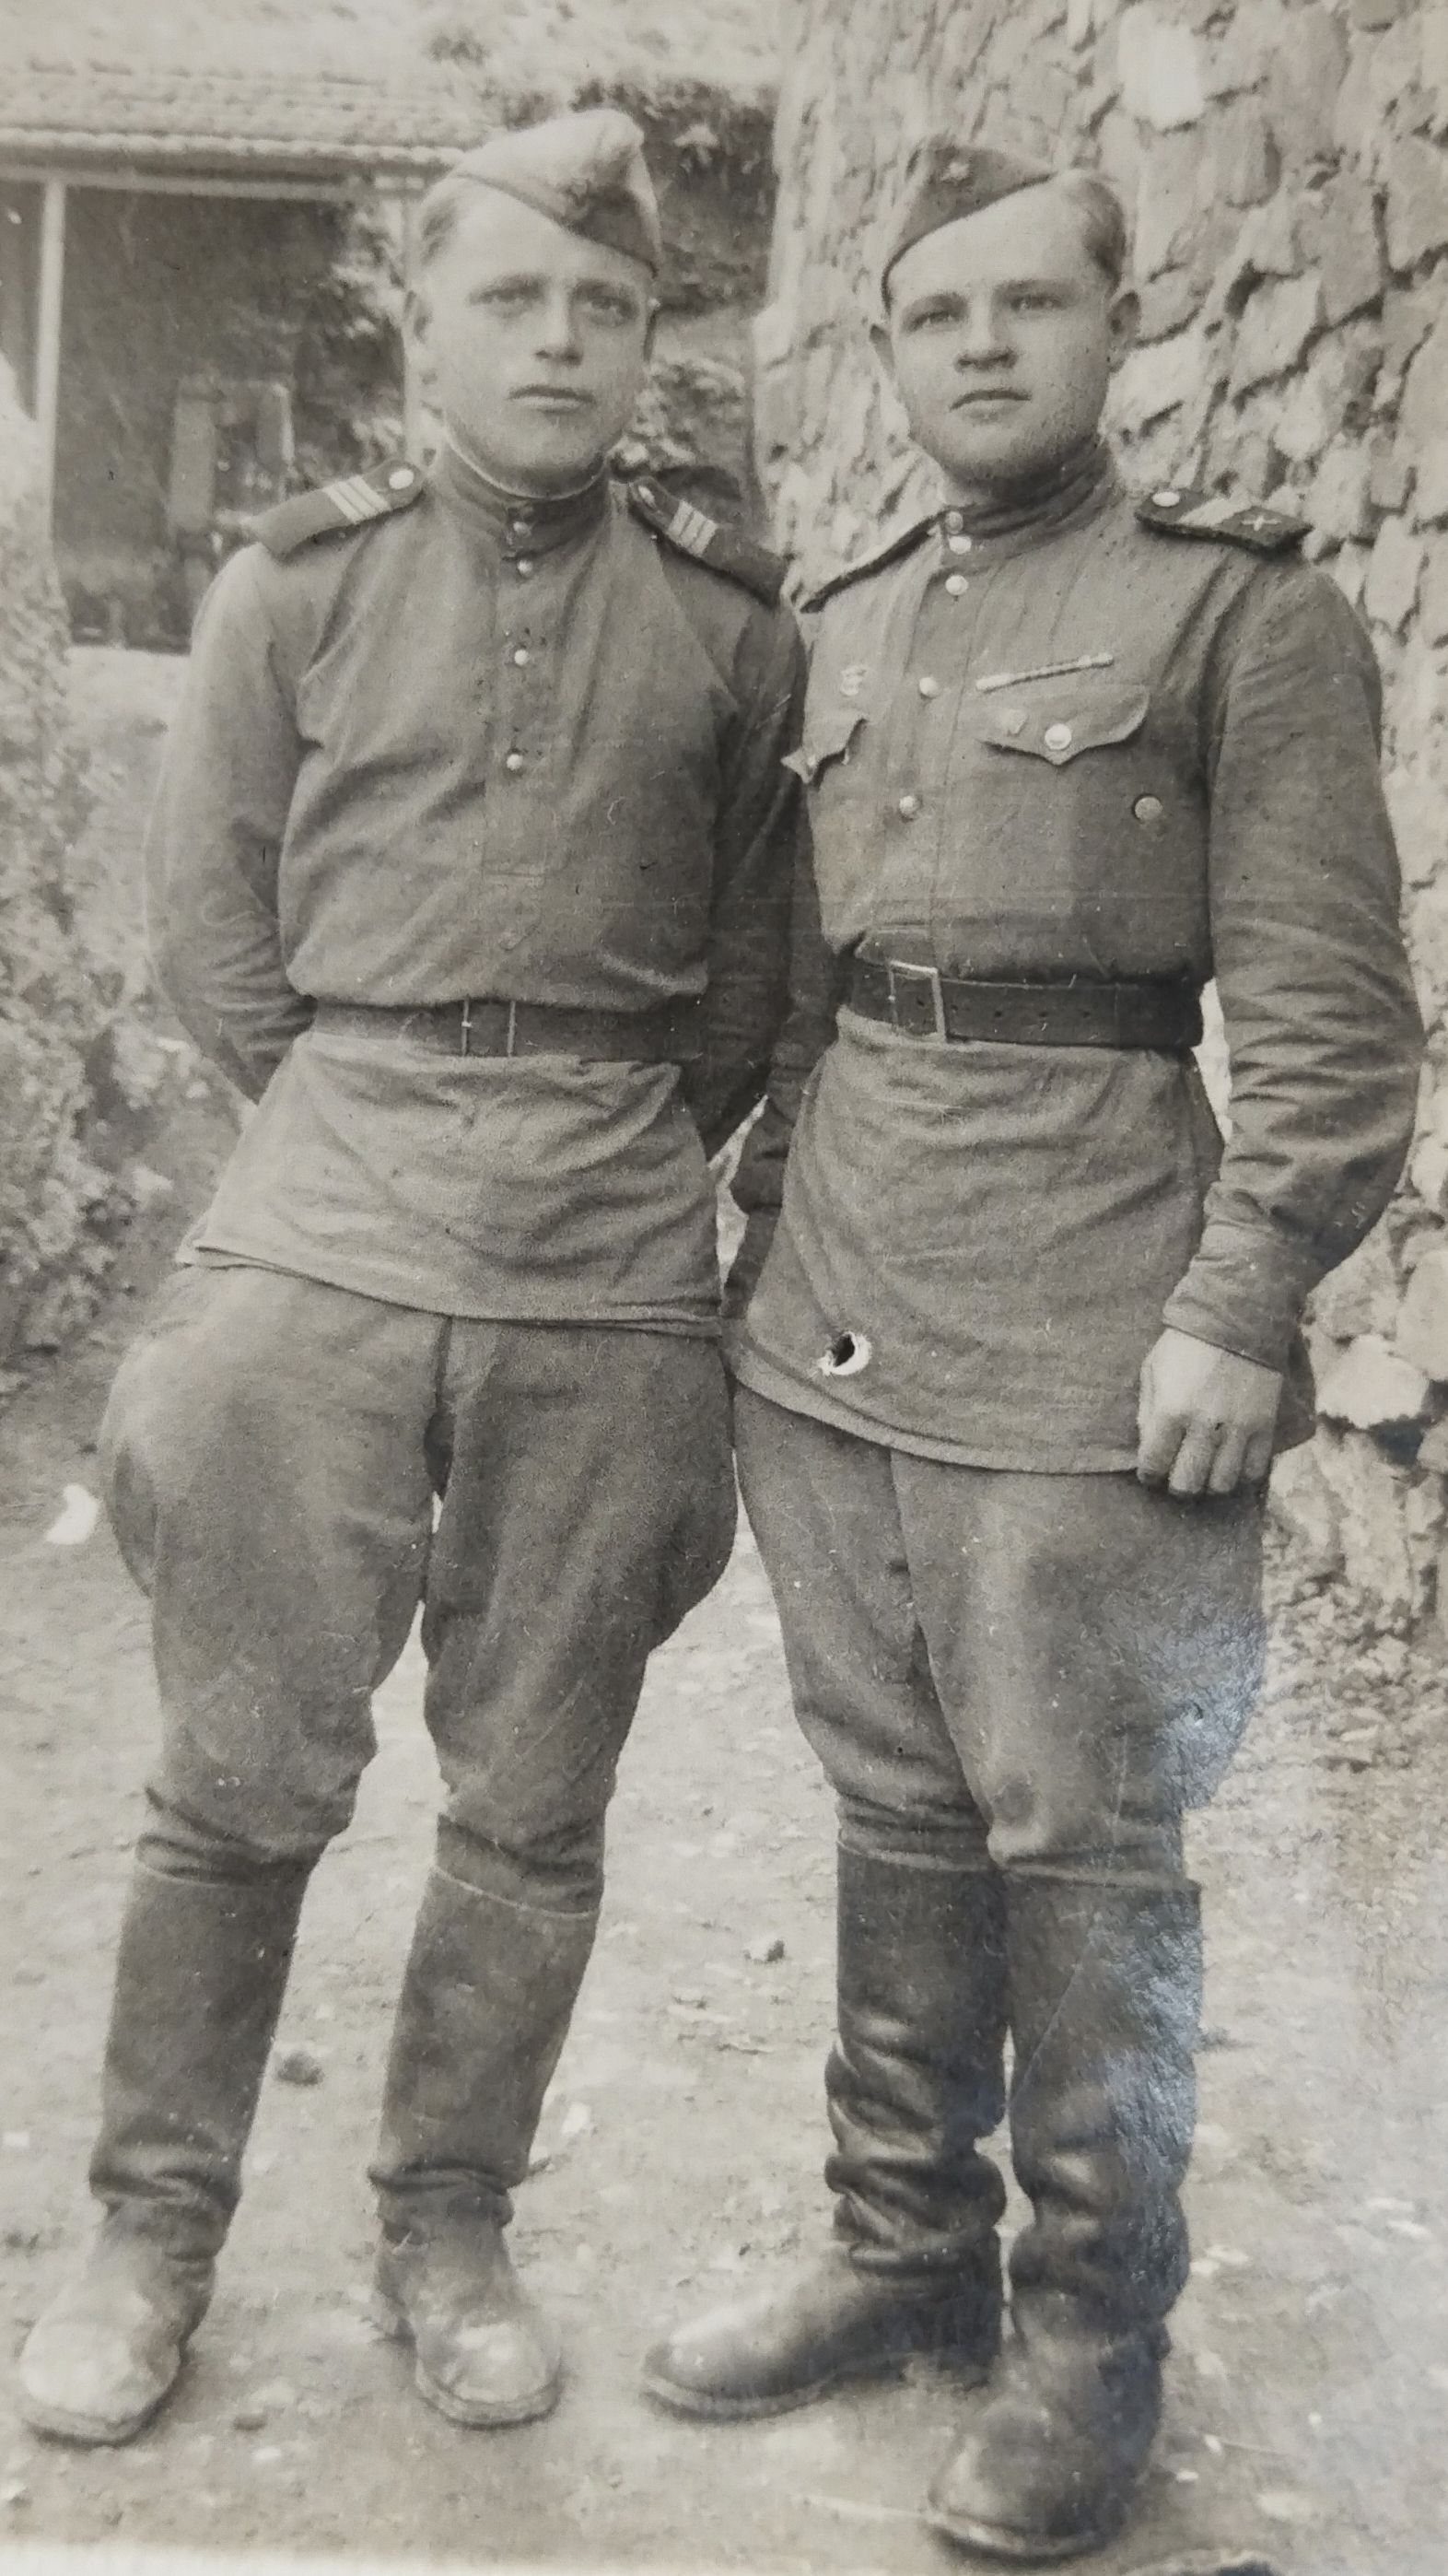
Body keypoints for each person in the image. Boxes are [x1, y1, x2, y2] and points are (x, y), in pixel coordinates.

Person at [643, 141, 1421, 2561]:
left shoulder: (1240, 616)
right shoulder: (848, 617)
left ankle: (1092, 2343)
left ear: (1118, 327)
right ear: (887, 353)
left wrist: (1238, 1302)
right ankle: (901, 2251)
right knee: (890, 1798)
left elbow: (1331, 1031)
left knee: (1084, 1840)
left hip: (1096, 1315)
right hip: (838, 1308)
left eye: (1028, 303)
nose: (980, 343)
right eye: (934, 314)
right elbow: (806, 994)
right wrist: (761, 1250)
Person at [18, 107, 802, 2450]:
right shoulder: (297, 588)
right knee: (237, 1767)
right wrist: (376, 1110)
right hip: (332, 1194)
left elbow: (749, 987)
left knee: (537, 1792)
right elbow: (216, 932)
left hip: (606, 1232)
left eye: (604, 307)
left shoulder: (732, 626)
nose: (558, 340)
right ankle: (148, 2233)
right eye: (511, 299)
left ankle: (449, 2228)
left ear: (648, 343)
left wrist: (591, 1142)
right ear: (421, 326)